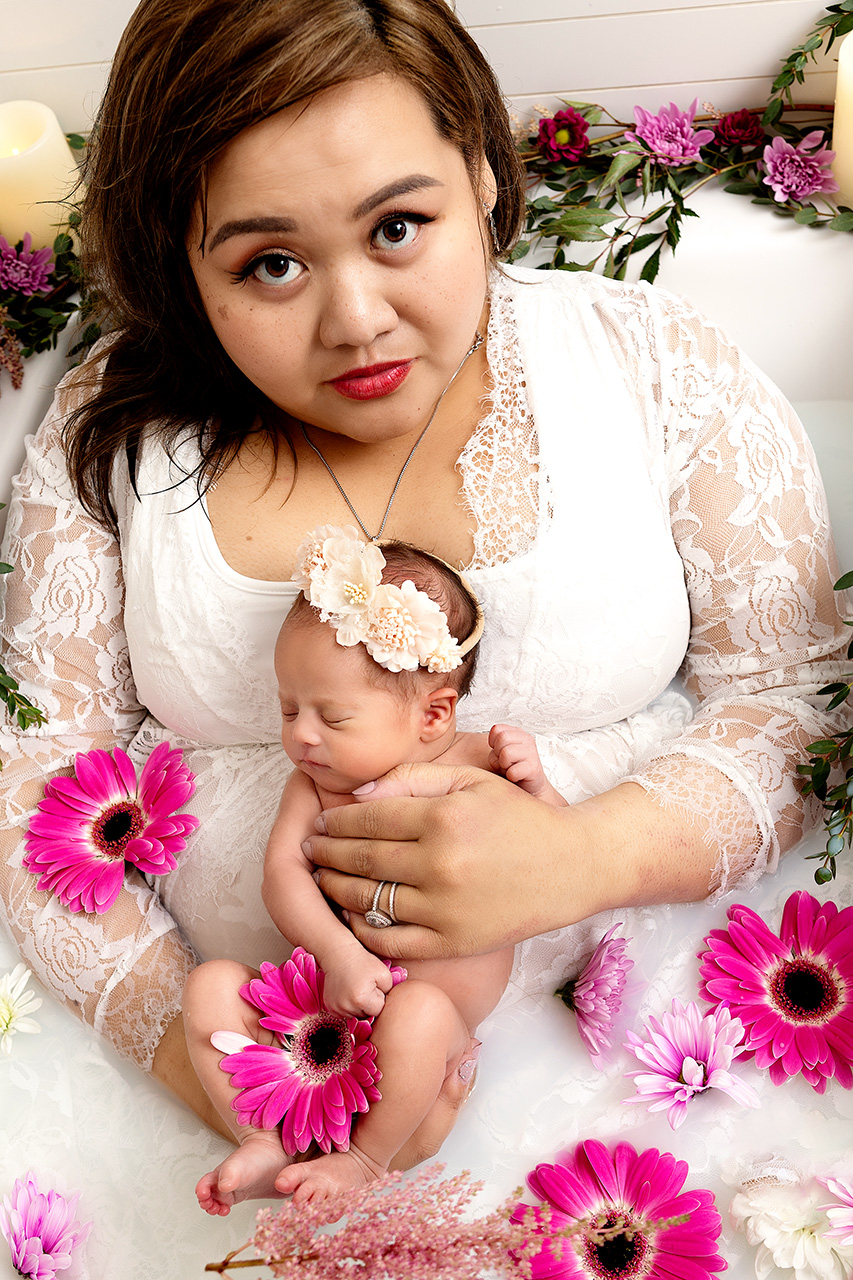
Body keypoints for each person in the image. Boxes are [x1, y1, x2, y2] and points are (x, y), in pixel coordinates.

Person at [0, 0, 848, 1176]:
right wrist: (199, 1059)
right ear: (180, 260)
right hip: (240, 1068)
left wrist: (581, 857)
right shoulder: (113, 433)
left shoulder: (651, 364)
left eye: (398, 225)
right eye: (271, 262)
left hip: (648, 1060)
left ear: (484, 173)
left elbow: (802, 695)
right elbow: (37, 771)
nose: (357, 321)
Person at [184, 528, 564, 1212]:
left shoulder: (481, 765)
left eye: (332, 716)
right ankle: (262, 1136)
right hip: (312, 1012)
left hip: (428, 1027)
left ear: (434, 714)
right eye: (288, 708)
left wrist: (536, 788)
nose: (301, 735)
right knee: (211, 985)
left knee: (418, 1010)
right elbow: (282, 875)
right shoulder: (313, 784)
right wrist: (334, 951)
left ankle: (364, 1157)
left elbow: (557, 852)